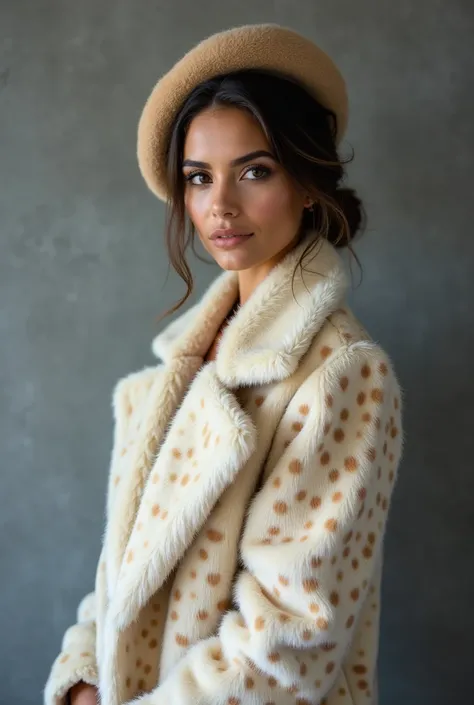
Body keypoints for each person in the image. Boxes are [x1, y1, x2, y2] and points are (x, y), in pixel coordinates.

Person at [44, 23, 403, 705]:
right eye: (199, 178)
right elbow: (121, 578)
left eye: (254, 171)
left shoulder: (344, 375)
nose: (220, 206)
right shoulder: (174, 370)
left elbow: (291, 643)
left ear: (306, 181)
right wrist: (85, 677)